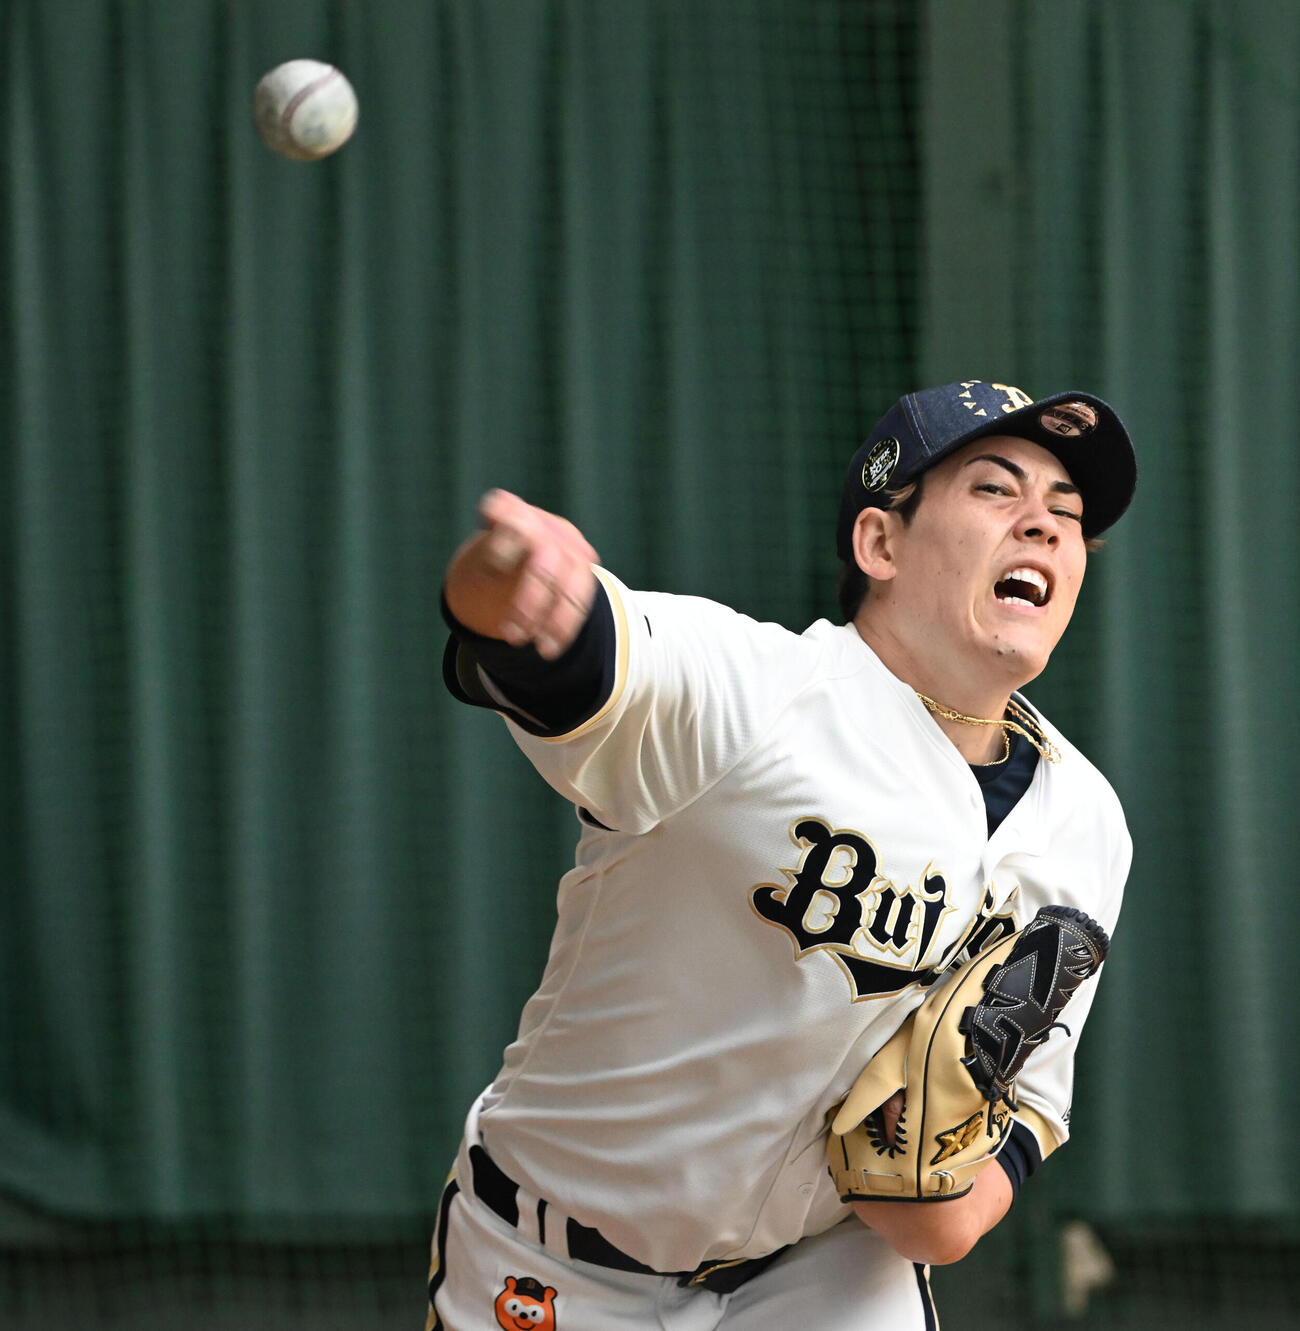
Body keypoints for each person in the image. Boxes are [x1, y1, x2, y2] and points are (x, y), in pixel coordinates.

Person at [426, 378, 1136, 1331]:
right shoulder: (759, 694)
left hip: (825, 1271)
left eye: (1067, 513)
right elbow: (563, 647)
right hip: (558, 1255)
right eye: (995, 490)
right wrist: (508, 582)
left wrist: (953, 1211)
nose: (1043, 526)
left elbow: (1033, 1104)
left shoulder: (1087, 821)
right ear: (880, 542)